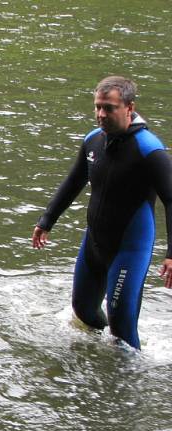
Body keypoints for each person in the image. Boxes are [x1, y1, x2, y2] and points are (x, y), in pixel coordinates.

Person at [32, 75, 172, 349]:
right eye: (97, 107)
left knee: (121, 328)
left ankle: (130, 379)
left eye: (109, 108)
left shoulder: (149, 150)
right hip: (94, 243)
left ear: (129, 108)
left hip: (130, 248)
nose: (100, 114)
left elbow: (171, 199)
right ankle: (100, 366)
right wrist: (47, 220)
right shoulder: (93, 141)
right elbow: (74, 182)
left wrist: (171, 255)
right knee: (84, 311)